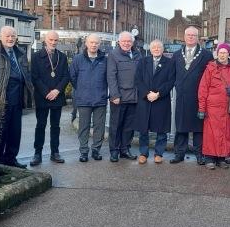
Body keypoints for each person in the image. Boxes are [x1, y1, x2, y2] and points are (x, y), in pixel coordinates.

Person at [0, 26, 33, 168]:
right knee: (0, 133)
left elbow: (26, 75)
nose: (10, 39)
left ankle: (11, 159)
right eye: (7, 36)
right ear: (1, 37)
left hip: (18, 99)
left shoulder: (20, 53)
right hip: (1, 99)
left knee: (15, 132)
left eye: (13, 36)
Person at [198, 43, 230, 169]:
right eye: (220, 52)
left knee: (226, 133)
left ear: (229, 54)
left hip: (228, 108)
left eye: (225, 52)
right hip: (212, 107)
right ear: (217, 53)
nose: (222, 55)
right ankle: (209, 158)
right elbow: (203, 89)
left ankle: (222, 157)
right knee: (211, 133)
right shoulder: (210, 68)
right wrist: (202, 108)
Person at [170, 26, 213, 164]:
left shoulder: (206, 55)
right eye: (188, 35)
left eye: (193, 35)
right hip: (182, 96)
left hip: (198, 97)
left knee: (199, 128)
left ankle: (200, 154)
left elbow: (210, 76)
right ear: (184, 37)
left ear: (197, 37)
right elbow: (171, 75)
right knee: (181, 126)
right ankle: (179, 153)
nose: (190, 37)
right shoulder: (176, 55)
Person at [30, 31, 69, 166]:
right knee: (40, 125)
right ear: (45, 40)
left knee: (55, 126)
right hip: (42, 96)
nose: (53, 42)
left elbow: (66, 76)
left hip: (57, 96)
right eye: (51, 40)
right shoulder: (35, 57)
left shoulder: (62, 57)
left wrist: (57, 90)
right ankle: (37, 153)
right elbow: (34, 77)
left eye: (56, 40)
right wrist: (47, 92)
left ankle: (55, 152)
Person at [134, 40, 175, 164]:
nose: (156, 49)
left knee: (161, 129)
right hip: (145, 100)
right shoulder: (142, 61)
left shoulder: (169, 63)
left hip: (161, 99)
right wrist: (147, 93)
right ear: (150, 49)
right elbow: (138, 80)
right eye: (154, 47)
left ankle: (159, 153)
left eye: (159, 47)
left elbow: (171, 81)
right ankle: (143, 153)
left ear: (163, 49)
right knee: (143, 128)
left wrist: (158, 94)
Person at [70, 34, 107, 162]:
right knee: (83, 127)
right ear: (86, 43)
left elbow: (109, 78)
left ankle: (96, 150)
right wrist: (82, 89)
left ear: (99, 44)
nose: (94, 45)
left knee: (99, 127)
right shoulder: (78, 59)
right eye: (91, 42)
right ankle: (84, 151)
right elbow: (73, 78)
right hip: (83, 99)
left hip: (100, 99)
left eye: (96, 43)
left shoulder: (105, 60)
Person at [107, 31, 141, 162]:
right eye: (124, 41)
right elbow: (111, 76)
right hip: (119, 97)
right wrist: (115, 95)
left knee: (129, 125)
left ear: (132, 42)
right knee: (116, 124)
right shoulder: (113, 55)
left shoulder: (138, 54)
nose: (126, 43)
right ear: (119, 42)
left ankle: (125, 149)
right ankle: (114, 150)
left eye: (129, 41)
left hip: (134, 96)